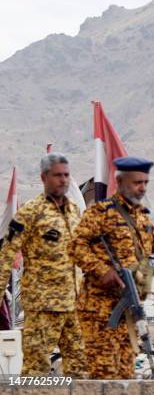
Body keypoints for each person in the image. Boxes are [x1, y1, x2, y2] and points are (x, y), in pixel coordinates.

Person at [68, 156, 154, 379]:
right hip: (100, 311)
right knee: (104, 375)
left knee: (126, 373)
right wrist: (103, 271)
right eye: (136, 182)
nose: (142, 188)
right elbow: (75, 246)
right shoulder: (100, 213)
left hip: (129, 309)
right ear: (120, 182)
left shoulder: (141, 218)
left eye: (145, 183)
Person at [0, 153, 87, 377]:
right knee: (35, 372)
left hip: (73, 305)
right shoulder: (29, 213)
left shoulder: (75, 212)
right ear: (44, 177)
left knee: (79, 370)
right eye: (57, 175)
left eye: (66, 175)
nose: (63, 180)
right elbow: (6, 255)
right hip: (42, 307)